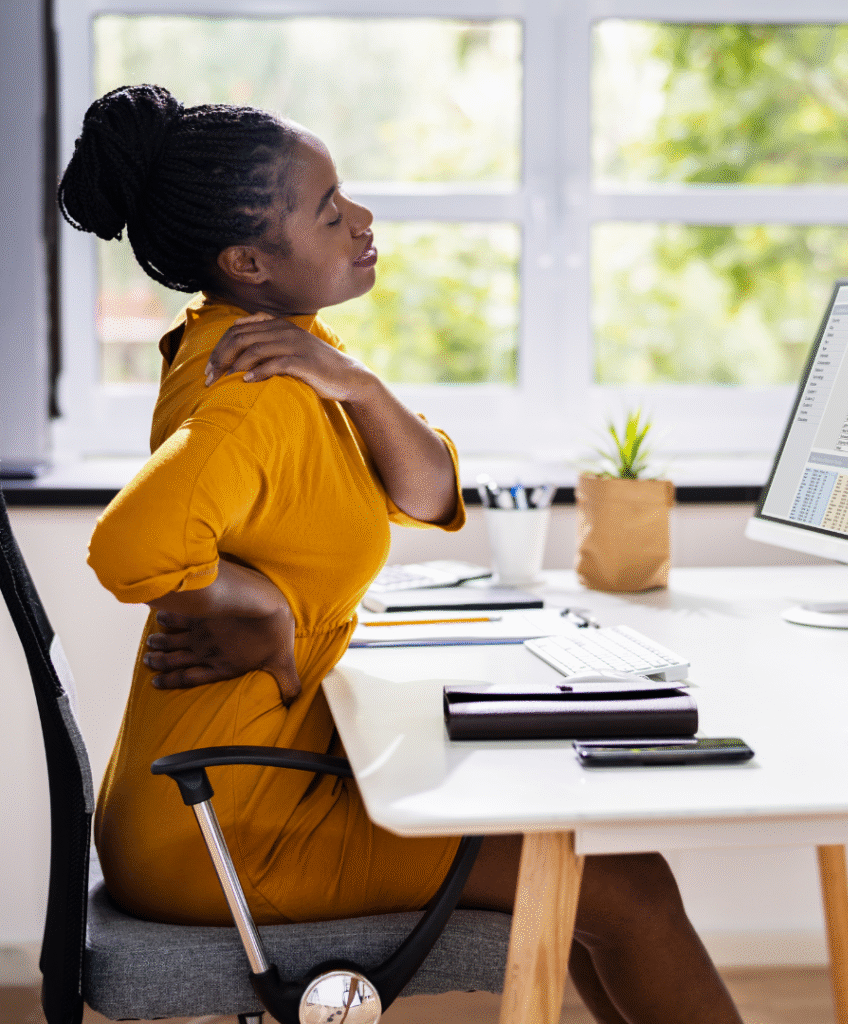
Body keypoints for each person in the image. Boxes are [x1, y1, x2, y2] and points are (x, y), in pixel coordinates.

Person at [59, 83, 743, 1024]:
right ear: (249, 260)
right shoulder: (253, 389)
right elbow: (127, 549)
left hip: (225, 793)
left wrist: (362, 385)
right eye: (329, 210)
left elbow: (425, 491)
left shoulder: (286, 350)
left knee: (594, 867)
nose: (362, 220)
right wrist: (260, 609)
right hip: (227, 832)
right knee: (625, 886)